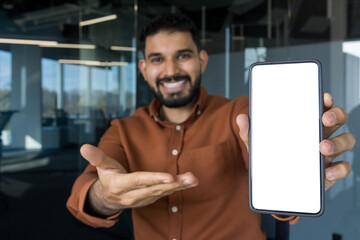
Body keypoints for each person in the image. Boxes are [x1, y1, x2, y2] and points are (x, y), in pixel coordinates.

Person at [67, 14, 356, 239]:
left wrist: (292, 174)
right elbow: (85, 196)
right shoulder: (123, 130)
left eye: (183, 55)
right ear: (144, 69)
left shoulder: (238, 113)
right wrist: (106, 196)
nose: (170, 71)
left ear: (201, 60)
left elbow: (270, 178)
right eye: (157, 59)